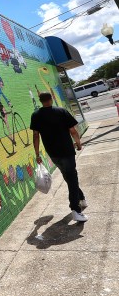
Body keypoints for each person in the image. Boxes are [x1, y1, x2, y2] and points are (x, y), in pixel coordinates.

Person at [30, 92, 87, 222]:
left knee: (68, 177)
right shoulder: (61, 111)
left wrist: (37, 154)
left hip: (53, 154)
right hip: (66, 151)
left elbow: (35, 136)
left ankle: (82, 199)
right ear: (51, 99)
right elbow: (73, 130)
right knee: (71, 178)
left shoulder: (36, 115)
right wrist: (78, 144)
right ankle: (75, 210)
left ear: (40, 100)